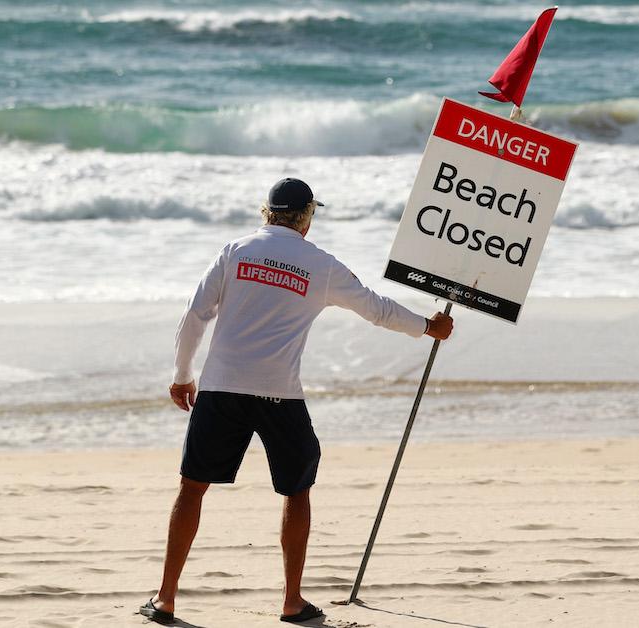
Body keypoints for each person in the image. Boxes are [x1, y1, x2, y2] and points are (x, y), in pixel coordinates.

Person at [140, 178, 454, 625]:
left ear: (266, 211)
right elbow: (375, 308)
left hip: (222, 387)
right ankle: (291, 600)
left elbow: (195, 314)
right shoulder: (320, 264)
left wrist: (181, 376)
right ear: (307, 217)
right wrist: (427, 325)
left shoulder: (235, 251)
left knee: (193, 487)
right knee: (297, 490)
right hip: (279, 393)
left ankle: (166, 598)